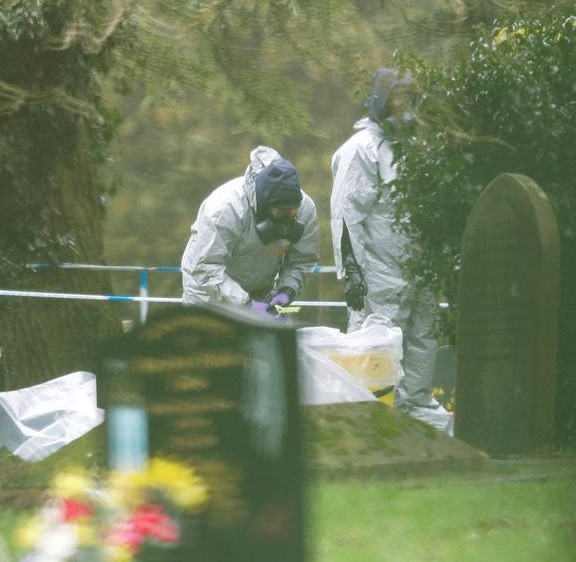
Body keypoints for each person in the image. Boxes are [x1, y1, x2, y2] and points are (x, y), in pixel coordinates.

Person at [330, 68, 452, 432]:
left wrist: (440, 263)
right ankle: (374, 423)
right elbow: (346, 216)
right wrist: (352, 271)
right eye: (400, 97)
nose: (407, 106)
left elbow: (433, 211)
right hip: (379, 277)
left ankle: (417, 412)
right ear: (382, 100)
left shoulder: (415, 149)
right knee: (377, 351)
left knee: (422, 340)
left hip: (419, 272)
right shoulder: (360, 151)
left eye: (412, 97)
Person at [181, 146, 319, 312]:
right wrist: (247, 305)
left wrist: (287, 290)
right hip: (208, 294)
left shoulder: (305, 209)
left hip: (259, 291)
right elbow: (205, 268)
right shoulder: (225, 209)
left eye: (292, 210)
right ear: (264, 204)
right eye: (280, 211)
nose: (288, 215)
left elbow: (301, 260)